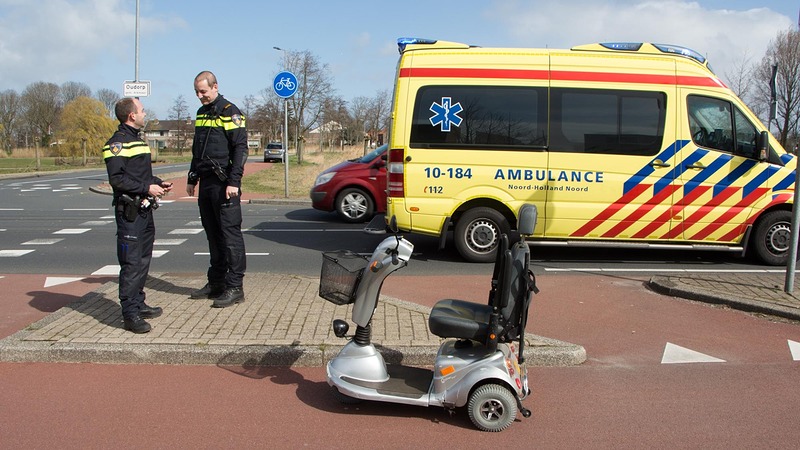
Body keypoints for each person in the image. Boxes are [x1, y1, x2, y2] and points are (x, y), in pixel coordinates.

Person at [103, 97, 173, 333]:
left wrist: (157, 183)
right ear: (132, 115)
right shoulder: (117, 144)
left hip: (143, 210)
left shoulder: (138, 141)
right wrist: (146, 188)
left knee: (143, 260)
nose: (145, 114)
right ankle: (130, 314)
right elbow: (118, 179)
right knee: (131, 263)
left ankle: (139, 302)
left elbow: (140, 176)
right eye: (142, 111)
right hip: (129, 212)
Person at [186, 71, 248, 308]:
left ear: (215, 87)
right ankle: (217, 282)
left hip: (225, 184)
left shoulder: (230, 111)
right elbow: (197, 149)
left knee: (230, 236)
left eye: (203, 91)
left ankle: (235, 287)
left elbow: (240, 148)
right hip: (206, 182)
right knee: (213, 234)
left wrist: (235, 181)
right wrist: (192, 177)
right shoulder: (201, 113)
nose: (200, 96)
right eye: (197, 92)